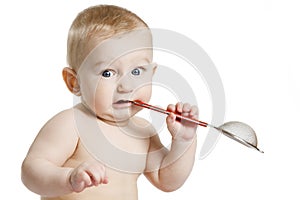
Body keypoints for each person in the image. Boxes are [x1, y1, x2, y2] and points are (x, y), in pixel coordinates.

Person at [21, 4, 198, 200]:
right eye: (108, 73)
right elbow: (31, 171)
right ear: (74, 82)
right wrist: (68, 178)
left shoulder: (143, 132)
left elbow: (167, 180)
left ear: (152, 73)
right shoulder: (72, 124)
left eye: (137, 71)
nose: (126, 86)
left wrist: (183, 141)